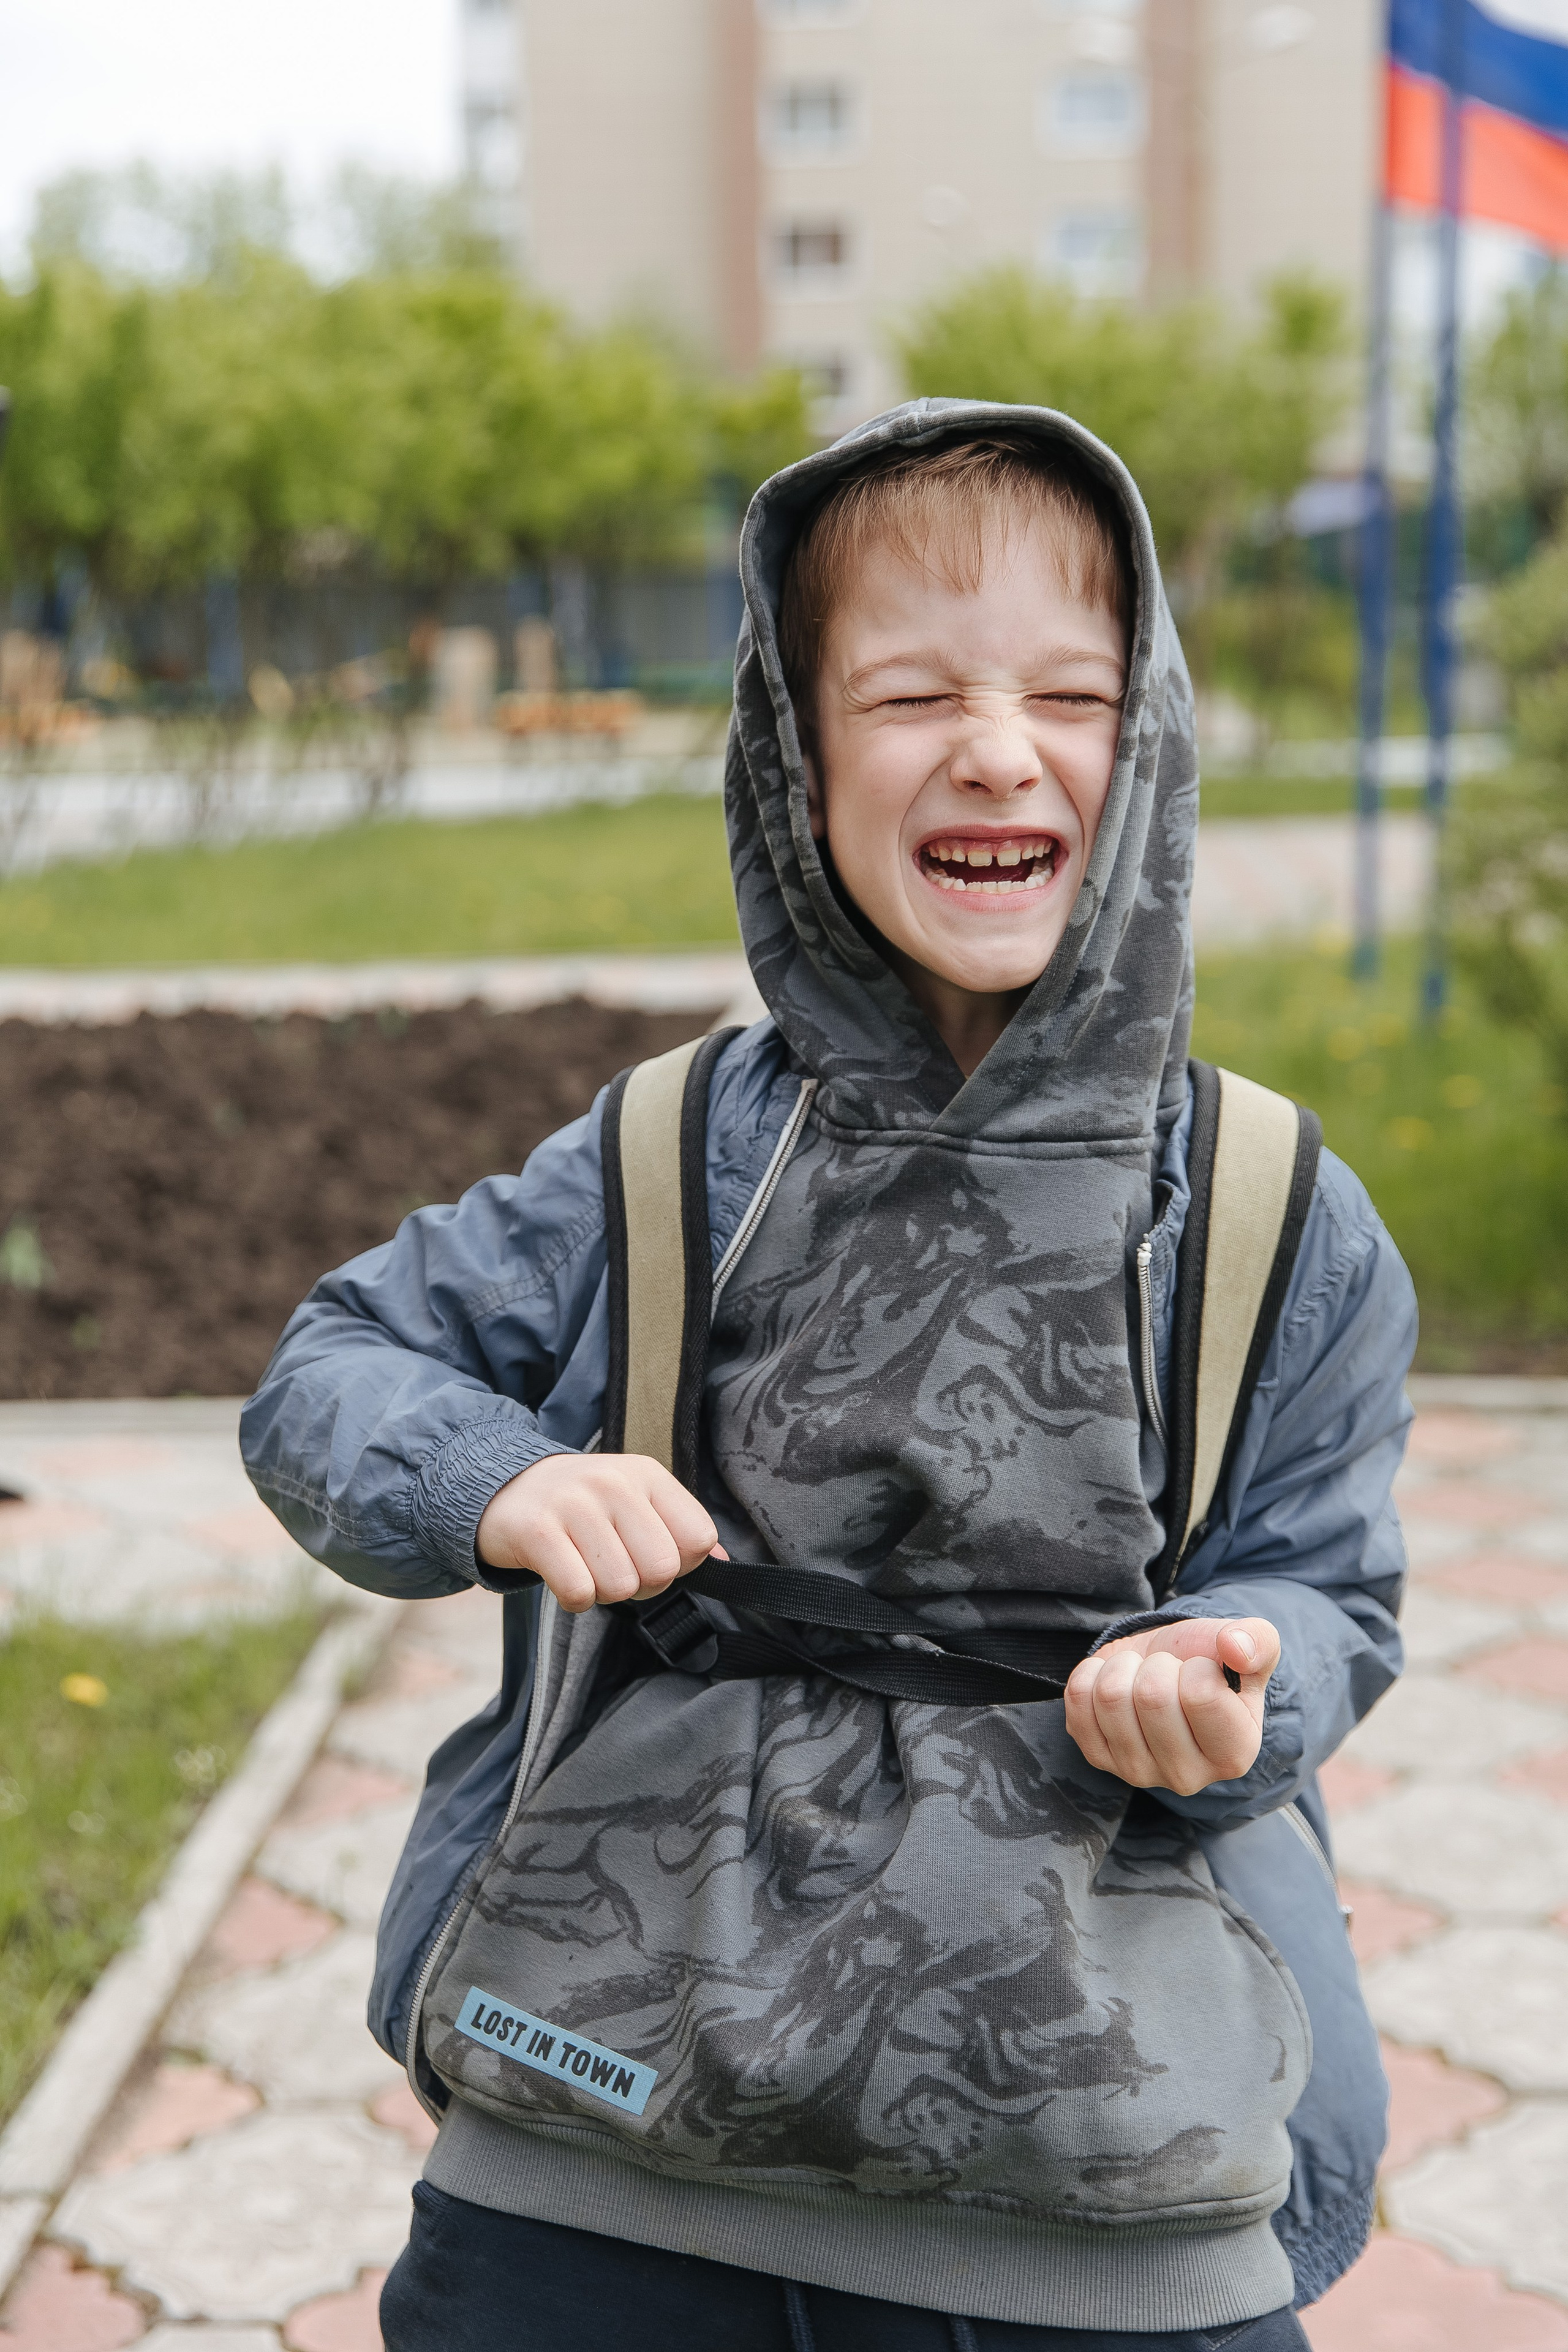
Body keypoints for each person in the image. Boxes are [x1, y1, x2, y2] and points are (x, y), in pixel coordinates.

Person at [241, 402, 1415, 2352]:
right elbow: (333, 1362)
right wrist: (492, 1479)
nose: (997, 747)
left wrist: (1233, 1674)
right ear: (794, 748)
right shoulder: (677, 1149)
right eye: (907, 695)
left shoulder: (1269, 1201)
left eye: (1072, 691)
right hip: (606, 2113)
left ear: (1154, 743)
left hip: (1108, 2154)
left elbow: (1326, 1582)